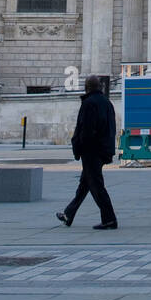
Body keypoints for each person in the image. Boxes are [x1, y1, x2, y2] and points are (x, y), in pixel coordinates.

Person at [56, 75, 118, 230]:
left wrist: (78, 147)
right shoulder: (107, 102)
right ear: (100, 87)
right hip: (103, 148)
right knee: (85, 184)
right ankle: (68, 214)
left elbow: (86, 130)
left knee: (96, 185)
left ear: (87, 87)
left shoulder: (89, 103)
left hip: (92, 150)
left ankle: (109, 219)